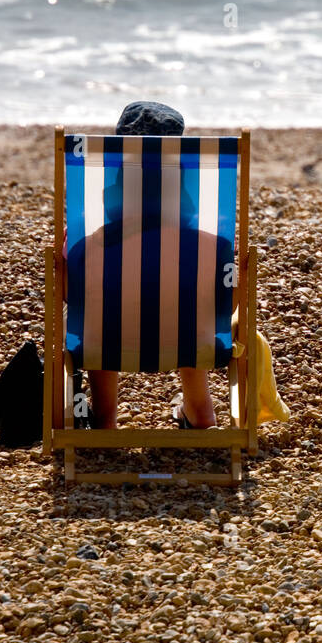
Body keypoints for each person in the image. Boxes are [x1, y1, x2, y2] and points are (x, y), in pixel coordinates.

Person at [65, 101, 219, 430]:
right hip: (190, 338)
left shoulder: (87, 247)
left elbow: (69, 293)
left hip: (106, 339)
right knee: (191, 298)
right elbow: (226, 302)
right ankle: (201, 411)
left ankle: (104, 417)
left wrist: (61, 257)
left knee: (94, 301)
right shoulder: (211, 248)